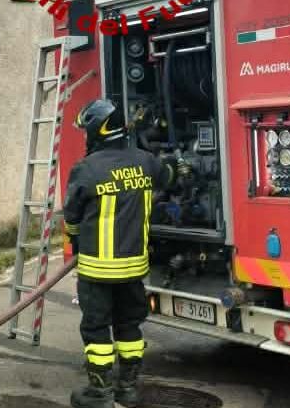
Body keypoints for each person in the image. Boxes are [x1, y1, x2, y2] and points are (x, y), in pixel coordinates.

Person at [64, 99, 188, 408]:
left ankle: (100, 393)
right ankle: (128, 389)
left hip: (97, 270)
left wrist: (76, 242)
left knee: (96, 329)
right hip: (134, 268)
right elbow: (170, 176)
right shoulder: (145, 161)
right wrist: (177, 161)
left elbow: (72, 217)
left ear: (98, 130)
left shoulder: (86, 169)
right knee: (129, 326)